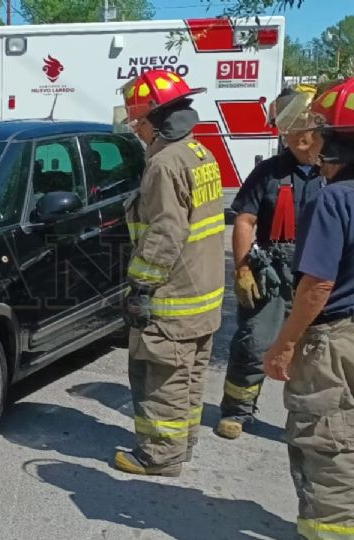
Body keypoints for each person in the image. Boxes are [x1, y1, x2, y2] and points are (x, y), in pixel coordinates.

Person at [114, 69, 226, 477]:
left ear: (156, 120)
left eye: (137, 121)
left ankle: (159, 456)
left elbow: (164, 232)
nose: (136, 130)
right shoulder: (199, 153)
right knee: (190, 376)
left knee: (162, 377)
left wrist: (141, 286)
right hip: (205, 292)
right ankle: (182, 444)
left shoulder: (164, 164)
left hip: (174, 296)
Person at [263, 78, 354, 540]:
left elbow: (317, 285)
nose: (314, 140)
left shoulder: (334, 198)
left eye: (321, 130)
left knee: (328, 444)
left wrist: (285, 343)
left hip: (336, 339)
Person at [216, 85, 325, 440]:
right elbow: (245, 220)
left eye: (301, 132)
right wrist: (243, 266)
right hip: (276, 272)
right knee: (254, 341)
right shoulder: (269, 173)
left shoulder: (338, 174)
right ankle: (237, 411)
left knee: (317, 351)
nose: (295, 140)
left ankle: (307, 422)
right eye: (289, 134)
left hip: (323, 272)